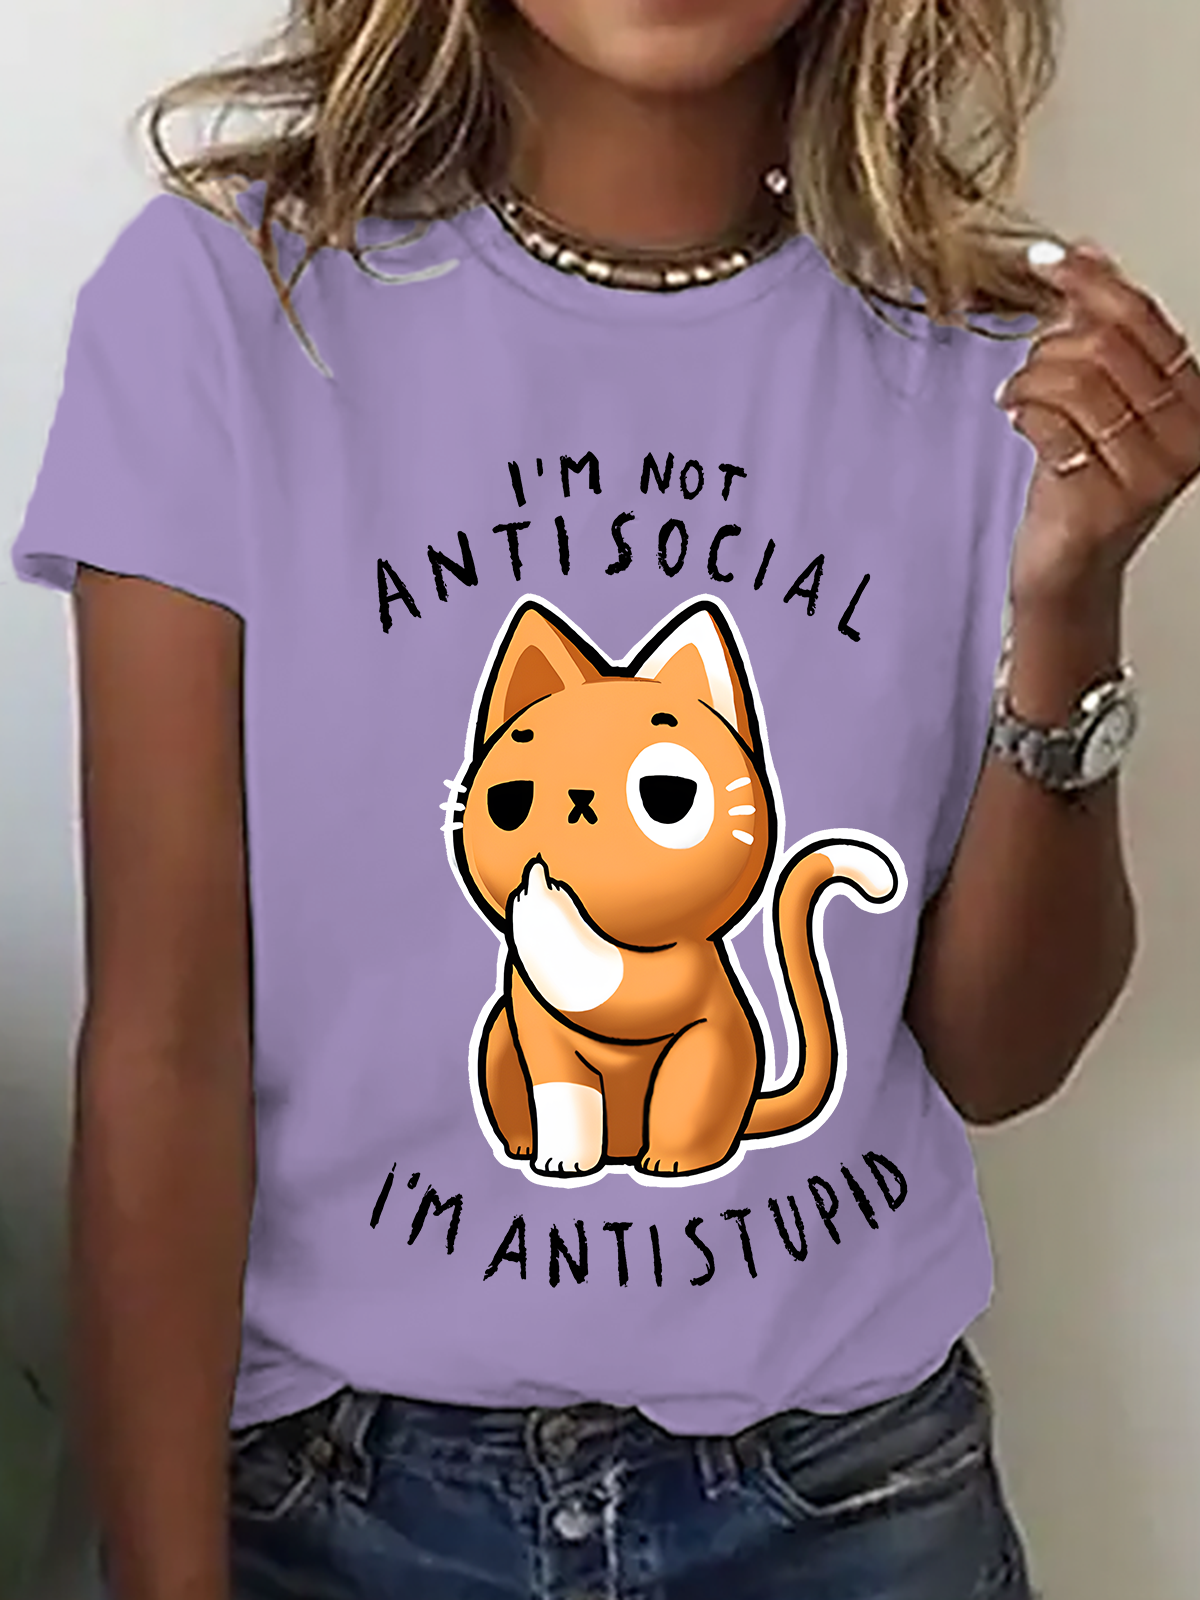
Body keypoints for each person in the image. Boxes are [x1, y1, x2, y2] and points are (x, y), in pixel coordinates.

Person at [11, 1, 1200, 1596]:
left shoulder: (1002, 363)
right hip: (335, 1497)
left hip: (845, 1498)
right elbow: (164, 1046)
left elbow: (1001, 1058)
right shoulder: (228, 300)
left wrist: (1070, 598)